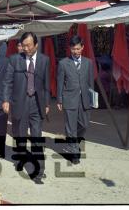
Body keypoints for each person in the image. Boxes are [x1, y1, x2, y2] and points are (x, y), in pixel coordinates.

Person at [3, 32, 50, 184]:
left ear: (36, 45)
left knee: (37, 137)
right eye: (23, 46)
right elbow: (8, 82)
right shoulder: (14, 60)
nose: (26, 48)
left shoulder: (44, 60)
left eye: (29, 45)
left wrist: (47, 103)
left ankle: (39, 171)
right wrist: (6, 100)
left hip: (37, 104)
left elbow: (46, 85)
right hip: (20, 103)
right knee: (20, 136)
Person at [57, 35, 94, 165]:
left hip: (84, 99)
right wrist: (59, 100)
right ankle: (74, 153)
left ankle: (72, 143)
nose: (76, 51)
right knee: (70, 127)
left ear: (82, 48)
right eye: (73, 49)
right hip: (69, 100)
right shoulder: (63, 63)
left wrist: (92, 99)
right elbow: (60, 83)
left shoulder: (88, 63)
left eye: (78, 49)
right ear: (70, 49)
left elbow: (90, 83)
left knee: (84, 125)